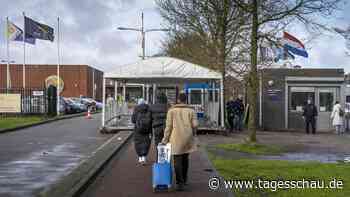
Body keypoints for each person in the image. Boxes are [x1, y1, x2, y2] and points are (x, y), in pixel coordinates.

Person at [161, 93, 198, 191]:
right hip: (188, 137)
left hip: (176, 137)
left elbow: (168, 127)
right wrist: (193, 134)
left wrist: (164, 140)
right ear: (186, 100)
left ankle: (179, 182)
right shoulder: (191, 111)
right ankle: (185, 179)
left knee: (177, 160)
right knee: (185, 158)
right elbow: (195, 125)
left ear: (178, 100)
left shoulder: (171, 111)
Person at [131, 98, 152, 165]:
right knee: (146, 143)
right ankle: (144, 157)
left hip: (138, 129)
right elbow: (151, 119)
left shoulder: (136, 109)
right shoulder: (148, 109)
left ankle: (140, 158)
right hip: (147, 130)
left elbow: (133, 120)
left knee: (138, 143)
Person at [150, 93, 169, 160]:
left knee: (158, 142)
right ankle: (165, 159)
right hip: (166, 127)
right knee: (166, 142)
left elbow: (150, 118)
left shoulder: (152, 107)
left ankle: (158, 157)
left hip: (156, 127)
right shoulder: (168, 106)